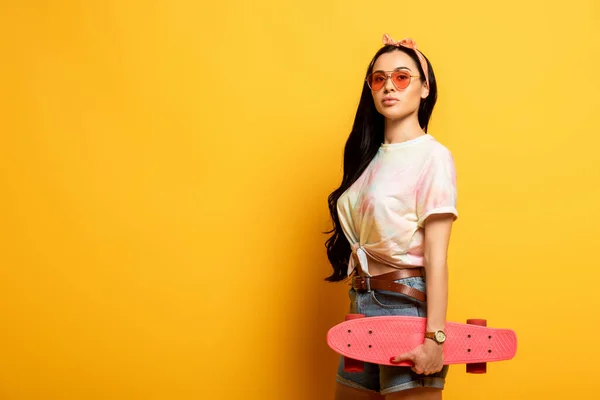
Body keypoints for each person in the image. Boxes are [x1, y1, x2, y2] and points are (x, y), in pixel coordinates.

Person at [324, 34, 459, 400]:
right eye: (379, 79)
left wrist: (435, 337)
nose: (389, 87)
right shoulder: (366, 157)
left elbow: (436, 258)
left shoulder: (432, 157)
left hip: (406, 307)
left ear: (425, 88)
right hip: (361, 306)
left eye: (402, 77)